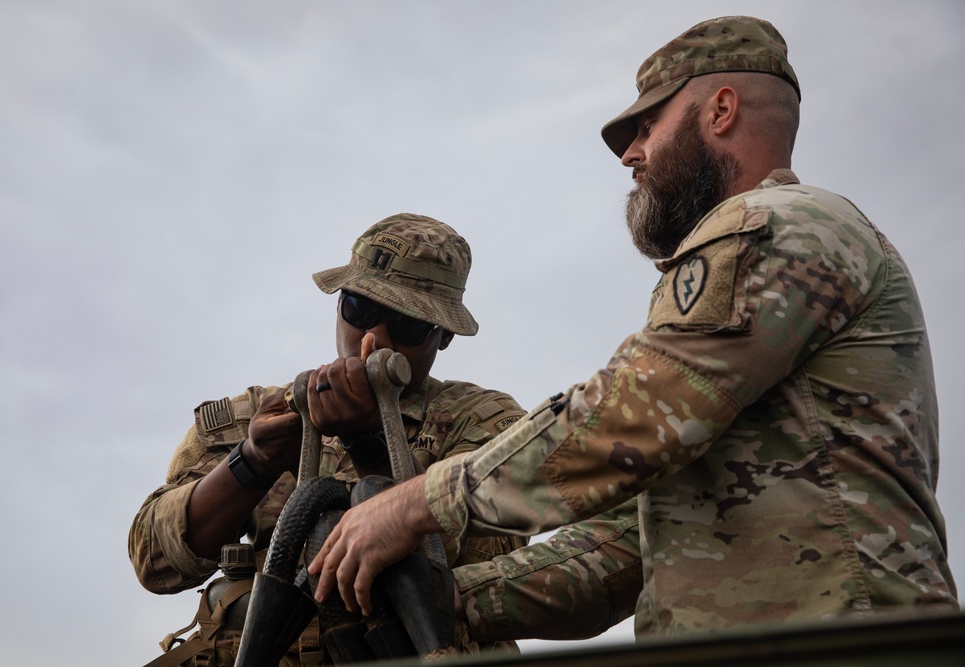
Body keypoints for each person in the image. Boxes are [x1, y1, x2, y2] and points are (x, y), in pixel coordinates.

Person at [308, 16, 959, 641]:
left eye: (647, 124)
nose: (630, 153)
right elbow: (628, 543)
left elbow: (634, 413)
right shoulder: (749, 267)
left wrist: (422, 500)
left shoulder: (782, 225)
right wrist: (448, 601)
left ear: (721, 110)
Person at [128, 213, 528, 663]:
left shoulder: (486, 423)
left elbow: (479, 556)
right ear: (338, 304)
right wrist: (252, 462)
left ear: (444, 336)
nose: (374, 339)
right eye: (360, 310)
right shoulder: (252, 417)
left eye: (409, 326)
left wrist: (371, 442)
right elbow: (154, 560)